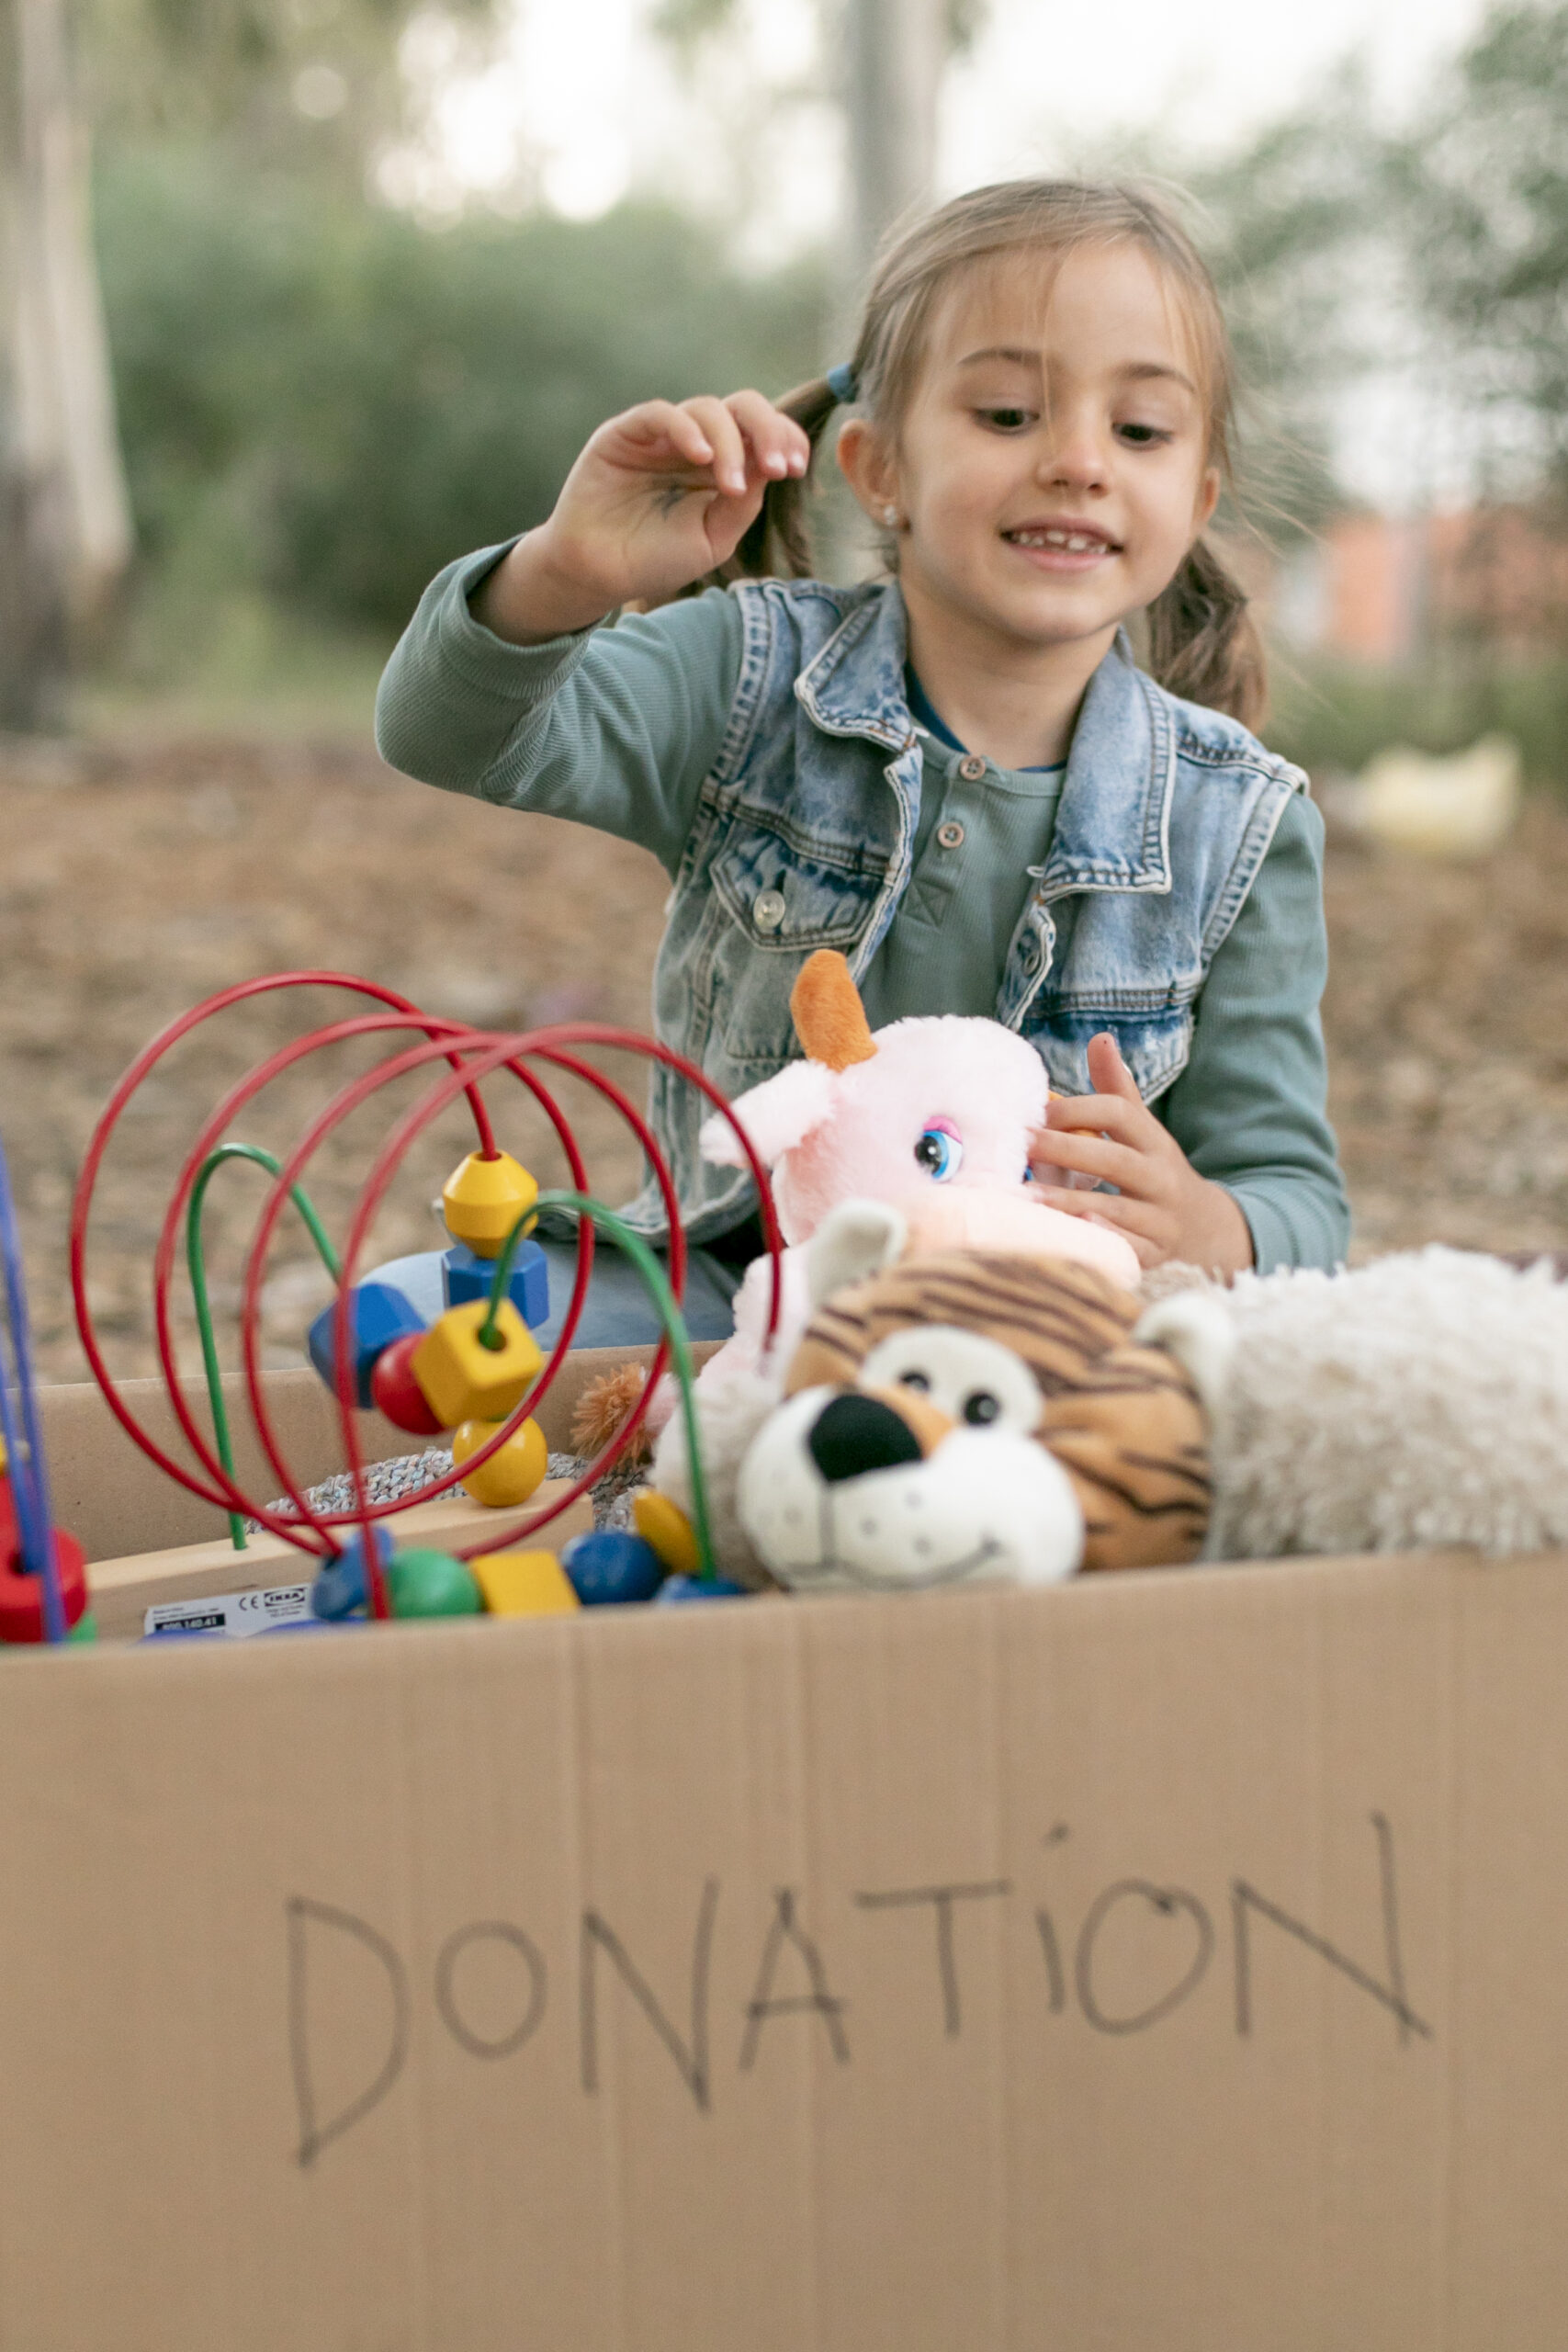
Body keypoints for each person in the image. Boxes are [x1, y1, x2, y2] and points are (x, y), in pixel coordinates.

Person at [374, 178, 1349, 1348]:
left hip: (1033, 1338)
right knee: (426, 1337)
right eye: (1008, 414)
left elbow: (1299, 1204)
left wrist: (1206, 1222)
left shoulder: (1239, 824)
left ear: (1195, 502)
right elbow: (446, 731)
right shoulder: (749, 677)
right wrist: (567, 571)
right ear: (878, 467)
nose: (1081, 461)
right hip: (728, 1308)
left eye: (1140, 430)